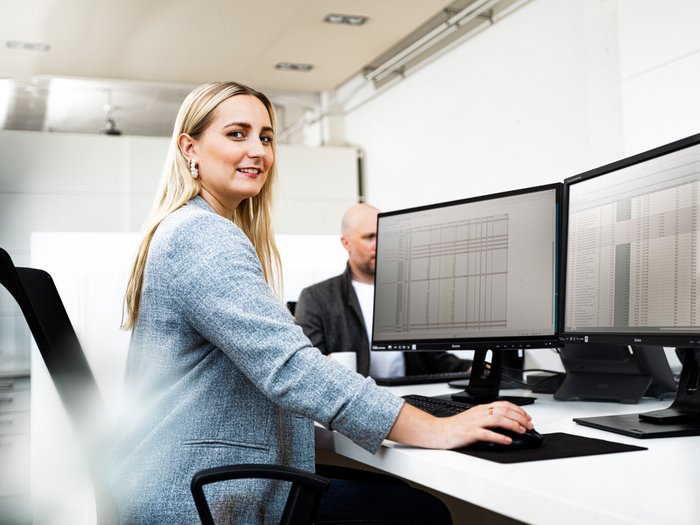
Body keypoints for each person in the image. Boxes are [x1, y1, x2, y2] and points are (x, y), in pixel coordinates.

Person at [106, 81, 534, 524]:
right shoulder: (201, 235)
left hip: (195, 478)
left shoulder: (188, 229)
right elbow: (290, 367)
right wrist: (434, 427)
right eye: (237, 134)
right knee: (421, 513)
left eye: (266, 137)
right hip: (201, 495)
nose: (258, 151)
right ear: (189, 147)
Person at [295, 203, 472, 378]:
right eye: (369, 237)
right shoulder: (316, 298)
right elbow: (312, 368)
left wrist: (472, 368)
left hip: (410, 395)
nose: (379, 244)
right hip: (356, 403)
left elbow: (433, 357)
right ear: (346, 243)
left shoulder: (410, 293)